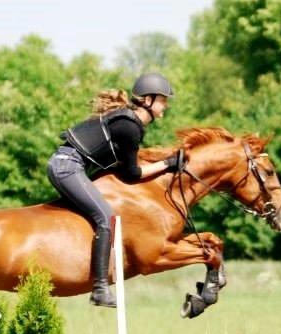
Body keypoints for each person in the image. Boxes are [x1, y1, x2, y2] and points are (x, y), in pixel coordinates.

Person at [47, 73, 182, 307]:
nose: (166, 106)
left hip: (67, 164)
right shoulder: (129, 127)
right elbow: (132, 173)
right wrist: (167, 164)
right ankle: (99, 288)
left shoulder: (128, 122)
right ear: (148, 100)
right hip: (67, 167)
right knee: (106, 217)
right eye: (163, 100)